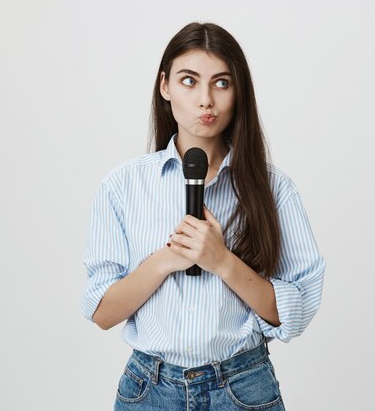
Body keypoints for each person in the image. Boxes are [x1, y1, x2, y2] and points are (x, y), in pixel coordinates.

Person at [80, 22, 325, 411]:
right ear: (165, 87)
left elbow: (295, 313)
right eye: (189, 81)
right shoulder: (122, 187)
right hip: (150, 390)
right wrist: (166, 260)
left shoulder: (274, 190)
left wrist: (221, 261)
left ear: (238, 91)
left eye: (222, 83)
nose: (205, 100)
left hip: (242, 388)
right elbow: (102, 312)